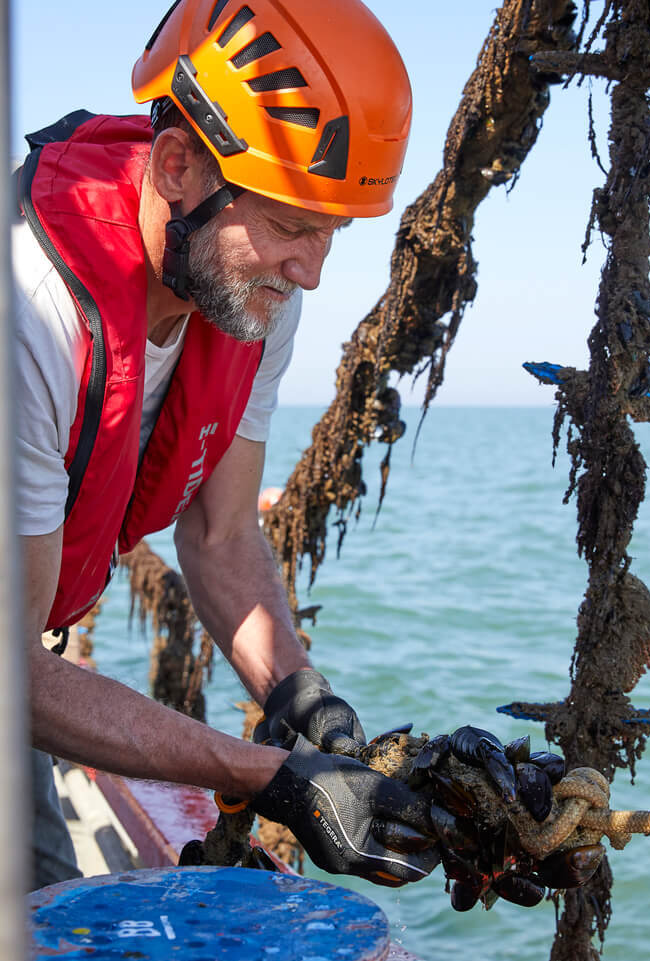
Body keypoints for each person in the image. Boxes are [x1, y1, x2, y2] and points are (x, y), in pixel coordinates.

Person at [14, 0, 436, 891]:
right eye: (291, 225)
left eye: (332, 233)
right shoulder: (31, 314)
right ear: (177, 167)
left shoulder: (248, 293)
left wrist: (304, 700)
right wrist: (270, 777)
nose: (312, 271)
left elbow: (219, 535)